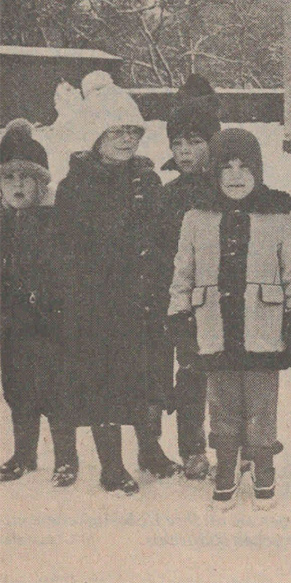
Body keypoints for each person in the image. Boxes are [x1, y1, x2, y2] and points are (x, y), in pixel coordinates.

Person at [167, 128, 291, 510]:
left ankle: (263, 465)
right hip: (214, 329)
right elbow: (182, 274)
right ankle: (227, 465)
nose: (236, 176)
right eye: (227, 168)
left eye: (244, 167)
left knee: (261, 406)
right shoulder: (196, 217)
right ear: (214, 173)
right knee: (223, 406)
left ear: (259, 171)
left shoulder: (277, 217)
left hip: (263, 328)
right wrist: (181, 321)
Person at [52, 81, 179, 495]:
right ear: (97, 136)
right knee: (103, 381)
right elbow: (68, 248)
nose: (126, 139)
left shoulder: (147, 180)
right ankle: (111, 464)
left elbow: (163, 238)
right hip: (97, 302)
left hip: (143, 298)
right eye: (116, 131)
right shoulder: (76, 186)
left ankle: (150, 450)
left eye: (133, 131)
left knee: (147, 378)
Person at [0, 120, 77, 487]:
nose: (17, 185)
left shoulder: (53, 219)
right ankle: (24, 454)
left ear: (41, 183)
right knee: (17, 387)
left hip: (49, 322)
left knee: (55, 388)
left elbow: (65, 269)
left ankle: (66, 459)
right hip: (10, 323)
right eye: (8, 177)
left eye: (25, 178)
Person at [155, 75, 221, 480]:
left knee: (232, 373)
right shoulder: (169, 195)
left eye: (194, 142)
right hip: (185, 301)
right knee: (192, 373)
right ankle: (193, 449)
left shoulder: (229, 185)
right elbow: (164, 252)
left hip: (225, 296)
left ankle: (235, 444)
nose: (184, 152)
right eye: (177, 144)